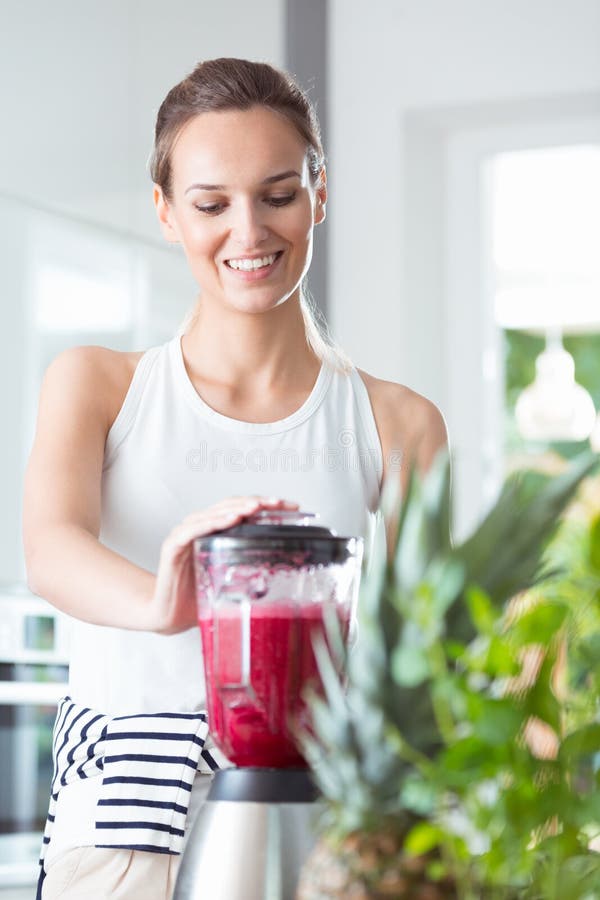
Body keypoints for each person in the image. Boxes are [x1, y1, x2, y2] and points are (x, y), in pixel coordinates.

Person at [23, 57, 448, 900]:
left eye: (279, 194)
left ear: (320, 192)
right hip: (123, 842)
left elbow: (423, 652)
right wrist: (162, 601)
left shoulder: (398, 423)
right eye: (212, 204)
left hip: (324, 836)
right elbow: (51, 547)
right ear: (167, 213)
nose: (248, 232)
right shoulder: (100, 384)